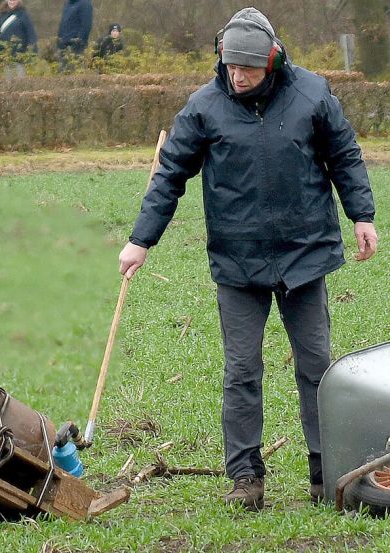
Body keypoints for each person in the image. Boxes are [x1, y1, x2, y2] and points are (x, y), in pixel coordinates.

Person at [118, 7, 378, 511]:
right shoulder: (203, 108)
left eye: (250, 68)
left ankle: (327, 473)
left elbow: (345, 154)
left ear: (273, 61)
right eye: (231, 66)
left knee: (317, 367)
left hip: (304, 255)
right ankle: (245, 478)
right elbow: (170, 176)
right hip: (238, 262)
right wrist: (140, 240)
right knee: (242, 370)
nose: (238, 76)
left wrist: (361, 215)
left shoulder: (312, 94)